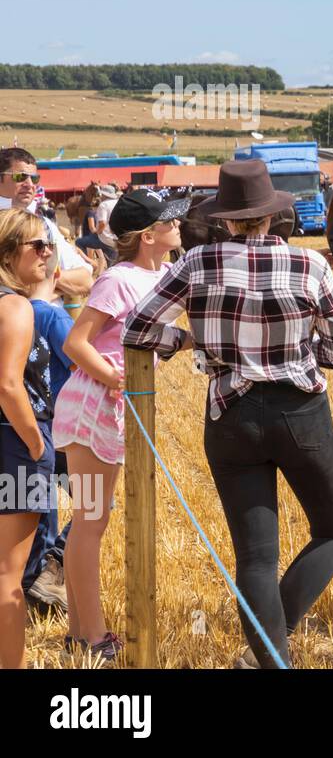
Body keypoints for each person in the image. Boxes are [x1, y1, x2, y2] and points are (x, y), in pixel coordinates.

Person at [124, 159, 333, 668]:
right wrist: (291, 358)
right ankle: (273, 640)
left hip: (230, 415)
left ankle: (271, 661)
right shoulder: (311, 266)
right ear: (272, 216)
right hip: (301, 413)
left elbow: (136, 330)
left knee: (255, 557)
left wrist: (187, 340)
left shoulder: (196, 263)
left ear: (226, 219)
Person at [54, 188, 191, 662]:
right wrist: (110, 373)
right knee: (90, 521)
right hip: (92, 408)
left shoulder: (168, 274)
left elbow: (158, 334)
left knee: (92, 520)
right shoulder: (118, 280)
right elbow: (77, 342)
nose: (179, 226)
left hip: (115, 407)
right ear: (148, 235)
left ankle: (78, 631)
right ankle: (92, 636)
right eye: (170, 221)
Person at [0, 208, 57, 669]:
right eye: (35, 245)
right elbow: (9, 385)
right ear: (6, 253)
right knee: (7, 577)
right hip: (15, 443)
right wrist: (36, 445)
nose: (47, 252)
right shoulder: (14, 307)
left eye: (49, 244)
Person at [20, 264, 76, 614]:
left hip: (28, 423)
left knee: (41, 508)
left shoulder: (16, 310)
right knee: (96, 500)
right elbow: (79, 358)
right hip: (61, 421)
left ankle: (36, 582)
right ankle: (54, 564)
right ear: (58, 275)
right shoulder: (54, 317)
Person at [0, 149, 93, 309]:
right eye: (20, 176)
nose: (29, 184)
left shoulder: (45, 224)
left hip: (47, 327)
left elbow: (85, 280)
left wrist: (41, 282)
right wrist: (55, 287)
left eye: (34, 178)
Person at [76, 183, 119, 263]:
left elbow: (102, 223)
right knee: (112, 260)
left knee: (78, 242)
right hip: (117, 238)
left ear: (104, 195)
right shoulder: (118, 203)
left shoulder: (103, 205)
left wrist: (97, 232)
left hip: (104, 238)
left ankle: (88, 263)